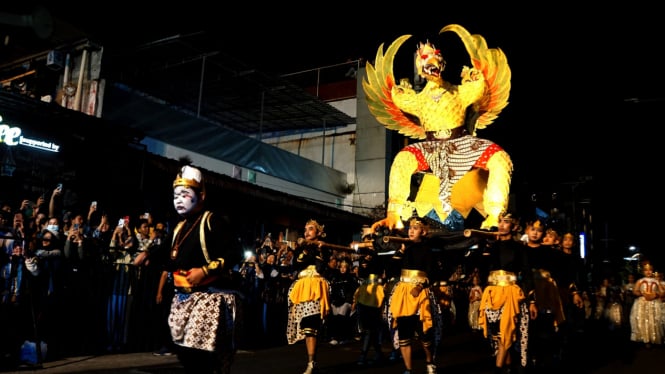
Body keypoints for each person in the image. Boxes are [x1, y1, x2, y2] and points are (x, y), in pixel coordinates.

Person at [145, 162, 242, 374]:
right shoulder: (179, 227)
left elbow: (235, 252)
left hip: (210, 297)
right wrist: (147, 255)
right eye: (175, 195)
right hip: (182, 298)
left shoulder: (212, 221)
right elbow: (166, 254)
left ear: (202, 195)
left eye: (185, 193)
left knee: (200, 356)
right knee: (187, 355)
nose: (178, 199)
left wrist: (206, 271)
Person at [476, 211, 530, 374]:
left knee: (505, 332)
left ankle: (497, 369)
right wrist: (485, 248)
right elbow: (481, 268)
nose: (501, 225)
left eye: (506, 222)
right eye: (500, 221)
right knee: (498, 336)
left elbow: (526, 272)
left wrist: (532, 300)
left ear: (514, 227)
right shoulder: (492, 246)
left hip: (510, 293)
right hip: (492, 294)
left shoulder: (519, 247)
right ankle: (507, 367)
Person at [387, 216, 441, 374]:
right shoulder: (405, 249)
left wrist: (421, 286)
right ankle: (408, 369)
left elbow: (434, 273)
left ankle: (430, 360)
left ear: (423, 232)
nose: (411, 230)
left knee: (425, 334)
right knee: (404, 334)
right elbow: (390, 270)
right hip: (403, 294)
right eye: (409, 227)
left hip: (420, 293)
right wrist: (401, 250)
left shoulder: (428, 250)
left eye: (415, 228)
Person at [286, 219, 331, 374]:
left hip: (316, 287)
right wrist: (305, 251)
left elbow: (320, 267)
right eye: (305, 229)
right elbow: (296, 266)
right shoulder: (300, 249)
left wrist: (319, 250)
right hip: (303, 288)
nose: (307, 232)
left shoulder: (324, 248)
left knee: (312, 325)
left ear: (318, 232)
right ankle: (311, 360)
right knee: (306, 327)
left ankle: (311, 362)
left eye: (311, 229)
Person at [629, 262, 664, 348]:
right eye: (646, 270)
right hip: (642, 303)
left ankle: (653, 337)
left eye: (650, 270)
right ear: (642, 271)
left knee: (653, 319)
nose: (648, 272)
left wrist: (656, 294)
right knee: (643, 320)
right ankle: (645, 339)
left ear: (652, 271)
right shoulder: (640, 281)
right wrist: (642, 294)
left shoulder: (656, 281)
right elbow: (635, 291)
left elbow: (662, 292)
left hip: (653, 303)